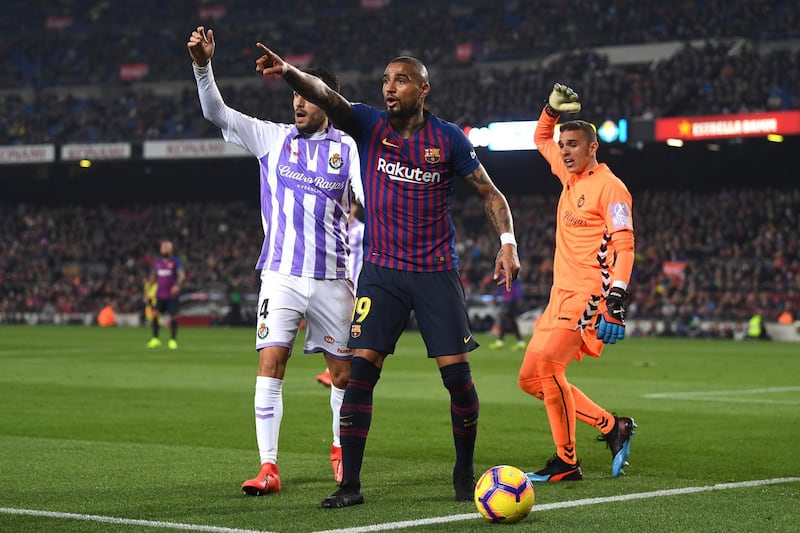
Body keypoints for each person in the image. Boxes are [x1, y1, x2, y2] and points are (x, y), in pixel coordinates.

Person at [254, 44, 521, 508]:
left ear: (423, 88)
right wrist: (289, 74)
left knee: (457, 380)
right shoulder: (368, 124)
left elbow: (490, 194)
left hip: (436, 273)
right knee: (359, 376)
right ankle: (350, 485)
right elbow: (326, 96)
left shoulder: (449, 139)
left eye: (400, 80)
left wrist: (508, 243)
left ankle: (463, 470)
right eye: (385, 80)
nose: (389, 87)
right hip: (381, 273)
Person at [187, 26, 364, 495]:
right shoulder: (271, 138)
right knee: (271, 364)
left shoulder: (348, 149)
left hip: (333, 277)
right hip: (281, 275)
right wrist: (203, 66)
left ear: (325, 101)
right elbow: (215, 112)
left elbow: (369, 205)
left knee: (344, 374)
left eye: (306, 96)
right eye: (294, 97)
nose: (297, 103)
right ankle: (269, 468)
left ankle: (340, 451)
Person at [517, 83, 636, 483]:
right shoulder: (568, 174)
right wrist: (550, 111)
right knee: (531, 379)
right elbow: (539, 138)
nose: (564, 150)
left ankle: (567, 462)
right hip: (558, 296)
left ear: (592, 148)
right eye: (563, 144)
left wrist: (615, 297)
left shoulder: (611, 188)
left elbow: (625, 245)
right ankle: (611, 426)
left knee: (550, 368)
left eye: (573, 145)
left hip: (587, 294)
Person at [316, 203, 364, 387]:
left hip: (358, 288)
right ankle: (341, 371)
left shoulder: (361, 230)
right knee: (342, 330)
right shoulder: (336, 228)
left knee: (351, 331)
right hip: (339, 286)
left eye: (352, 205)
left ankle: (335, 372)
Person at [145, 240, 186, 349]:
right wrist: (147, 291)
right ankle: (155, 339)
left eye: (164, 247)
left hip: (171, 295)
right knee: (154, 314)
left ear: (170, 249)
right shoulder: (157, 262)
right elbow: (153, 277)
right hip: (160, 295)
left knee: (173, 317)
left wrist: (177, 285)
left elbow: (182, 276)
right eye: (162, 247)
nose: (162, 249)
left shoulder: (176, 261)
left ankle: (172, 340)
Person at [488, 277, 526, 350]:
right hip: (508, 301)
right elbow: (502, 288)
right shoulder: (507, 277)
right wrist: (494, 297)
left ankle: (501, 342)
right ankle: (520, 342)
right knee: (510, 321)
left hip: (511, 302)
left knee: (506, 320)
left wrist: (519, 299)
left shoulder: (513, 277)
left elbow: (517, 289)